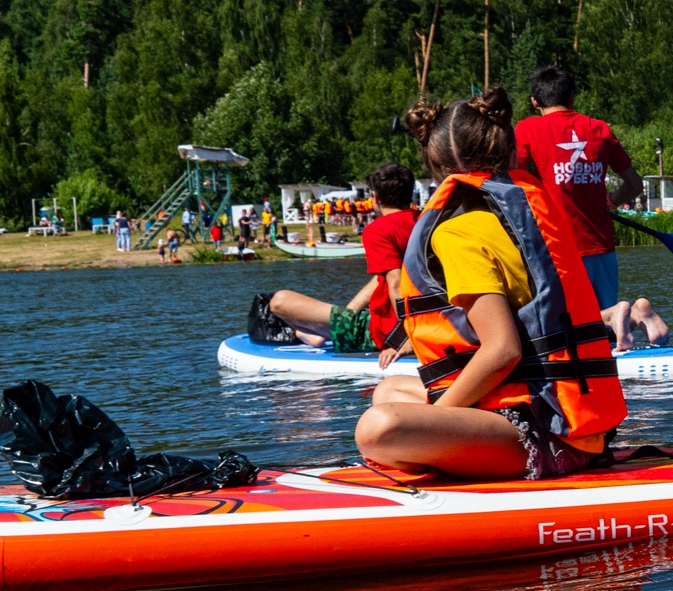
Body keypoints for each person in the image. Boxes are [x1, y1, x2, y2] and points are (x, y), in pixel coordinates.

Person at [356, 88, 625, 480]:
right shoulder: (530, 215)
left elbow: (502, 351)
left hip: (542, 435)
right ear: (506, 152)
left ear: (435, 165)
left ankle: (443, 451)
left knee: (378, 427)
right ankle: (444, 442)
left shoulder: (457, 234)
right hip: (572, 419)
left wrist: (437, 418)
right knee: (390, 392)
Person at [511, 63, 642, 315]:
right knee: (608, 321)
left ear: (534, 102)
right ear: (572, 96)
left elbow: (506, 180)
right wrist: (612, 201)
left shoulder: (528, 129)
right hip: (601, 244)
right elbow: (634, 184)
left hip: (557, 246)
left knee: (569, 323)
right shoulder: (601, 129)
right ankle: (634, 314)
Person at [259, 164, 421, 352]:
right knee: (380, 279)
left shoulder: (378, 230)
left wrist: (407, 336)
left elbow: (395, 283)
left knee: (279, 301)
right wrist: (349, 313)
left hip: (389, 331)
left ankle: (319, 333)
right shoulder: (425, 222)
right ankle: (326, 330)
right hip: (423, 321)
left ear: (375, 197)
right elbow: (387, 279)